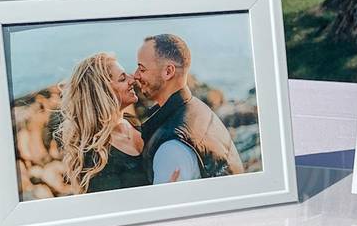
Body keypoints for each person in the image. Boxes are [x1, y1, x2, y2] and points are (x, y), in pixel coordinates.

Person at [134, 34, 243, 184]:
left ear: (168, 72)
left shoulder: (171, 148)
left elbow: (166, 206)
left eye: (142, 69)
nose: (135, 76)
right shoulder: (197, 108)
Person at [56, 53, 149, 195]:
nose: (133, 79)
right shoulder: (96, 158)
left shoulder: (132, 122)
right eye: (123, 78)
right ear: (104, 93)